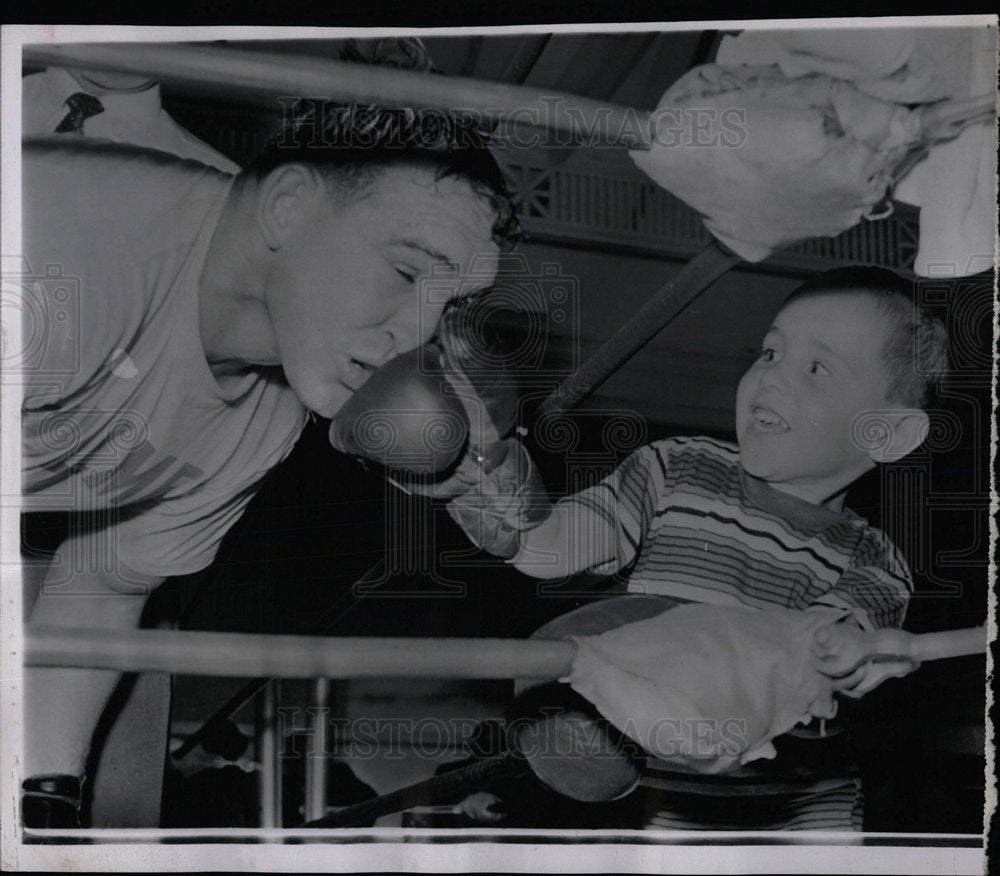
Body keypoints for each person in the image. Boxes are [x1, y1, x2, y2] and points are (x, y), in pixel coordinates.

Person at [19, 101, 520, 828]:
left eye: (450, 308)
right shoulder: (69, 255)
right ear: (287, 207)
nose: (415, 335)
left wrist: (44, 800)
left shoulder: (267, 413)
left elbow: (100, 584)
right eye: (407, 271)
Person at [435, 265, 949, 829]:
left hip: (799, 812)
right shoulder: (679, 466)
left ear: (887, 433)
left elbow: (814, 653)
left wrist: (858, 653)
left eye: (817, 367)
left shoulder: (873, 560)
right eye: (770, 353)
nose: (771, 378)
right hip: (668, 802)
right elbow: (549, 549)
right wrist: (489, 469)